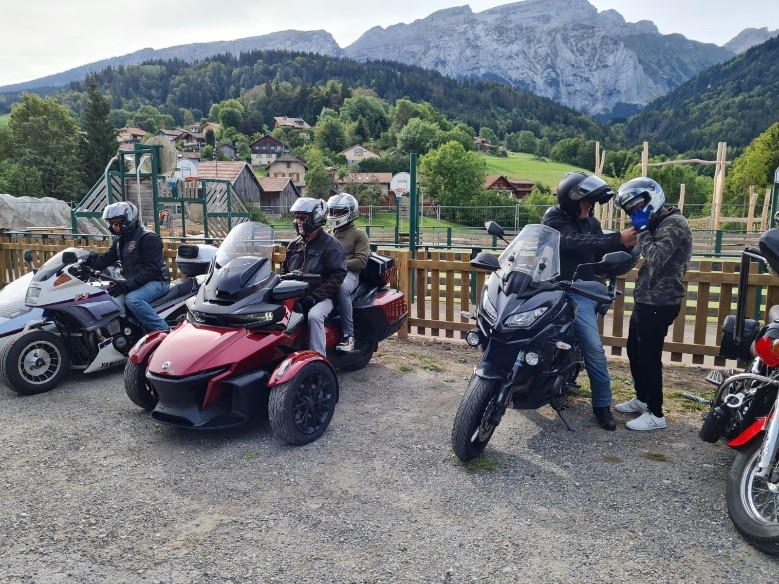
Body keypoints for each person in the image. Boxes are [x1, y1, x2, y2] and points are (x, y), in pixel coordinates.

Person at [542, 171, 637, 431]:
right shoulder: (554, 217)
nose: (589, 207)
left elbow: (596, 247)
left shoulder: (591, 222)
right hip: (550, 286)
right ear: (570, 199)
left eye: (591, 203)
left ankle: (602, 405)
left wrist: (626, 247)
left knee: (593, 347)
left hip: (581, 291)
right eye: (585, 202)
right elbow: (569, 242)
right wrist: (617, 237)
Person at [613, 177, 693, 431]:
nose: (634, 212)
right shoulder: (657, 222)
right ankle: (643, 398)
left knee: (649, 356)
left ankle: (656, 413)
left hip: (662, 300)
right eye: (630, 209)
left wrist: (644, 231)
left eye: (637, 206)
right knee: (634, 350)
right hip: (647, 298)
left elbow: (657, 257)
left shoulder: (674, 223)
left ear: (652, 198)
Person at [87, 201, 171, 332]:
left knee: (133, 300)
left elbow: (153, 269)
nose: (114, 227)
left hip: (157, 281)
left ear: (129, 219)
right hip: (135, 281)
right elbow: (107, 258)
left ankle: (164, 332)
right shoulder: (121, 240)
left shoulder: (148, 237)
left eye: (117, 223)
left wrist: (126, 284)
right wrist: (86, 264)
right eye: (111, 223)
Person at [281, 197, 347, 356]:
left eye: (302, 217)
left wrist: (315, 297)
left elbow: (338, 275)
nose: (298, 221)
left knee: (314, 316)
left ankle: (318, 360)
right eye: (296, 217)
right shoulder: (294, 244)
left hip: (323, 297)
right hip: (295, 295)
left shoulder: (331, 245)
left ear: (316, 218)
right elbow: (284, 271)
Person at [327, 192, 370, 352]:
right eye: (332, 211)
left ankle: (348, 336)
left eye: (339, 212)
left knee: (341, 288)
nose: (334, 215)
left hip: (349, 275)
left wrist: (338, 265)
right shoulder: (329, 233)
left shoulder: (359, 234)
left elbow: (361, 261)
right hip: (329, 273)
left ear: (351, 212)